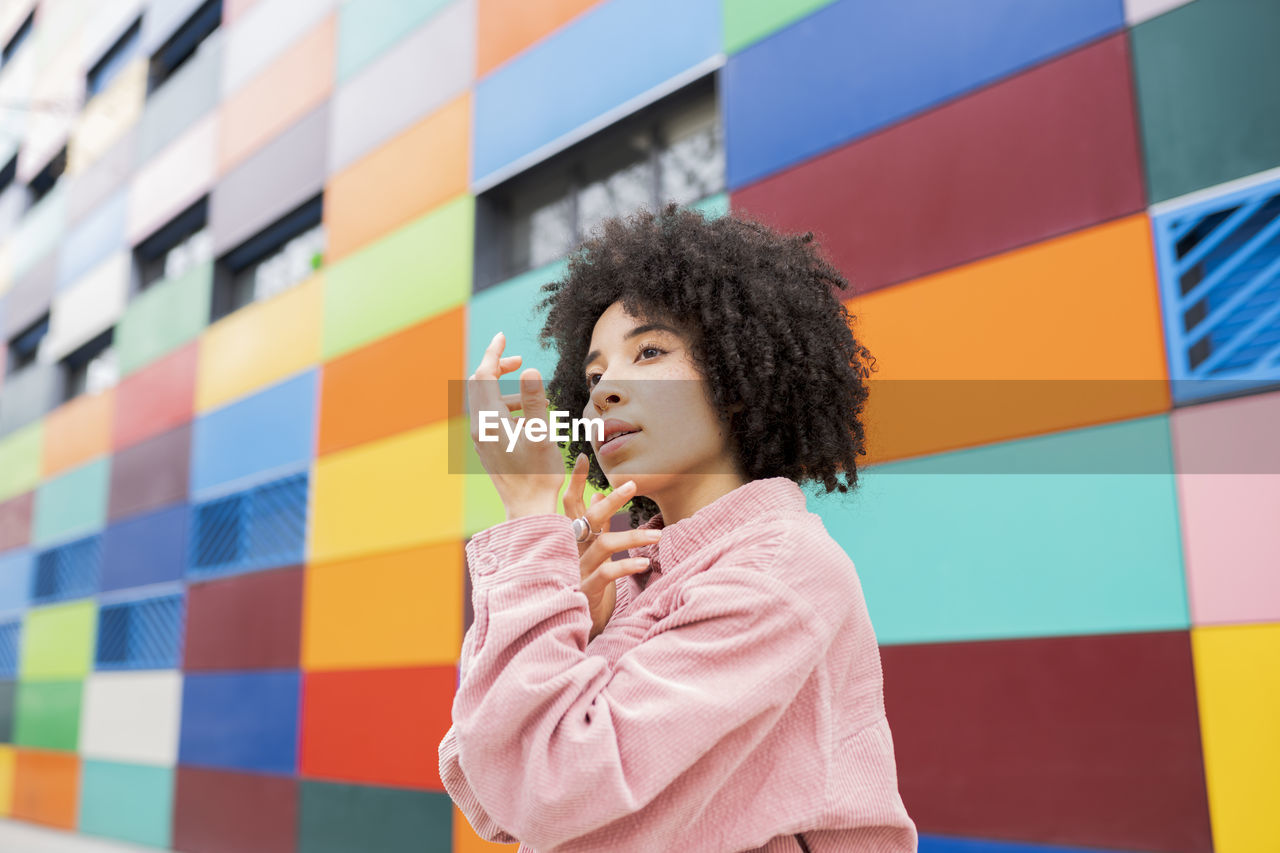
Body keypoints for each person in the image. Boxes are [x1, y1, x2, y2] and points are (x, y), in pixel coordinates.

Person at [438, 203, 918, 852]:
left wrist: (529, 518)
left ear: (736, 380)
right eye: (594, 374)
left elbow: (542, 784)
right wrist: (570, 613)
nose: (604, 390)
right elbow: (488, 793)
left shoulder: (779, 573)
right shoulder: (631, 579)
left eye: (651, 350)